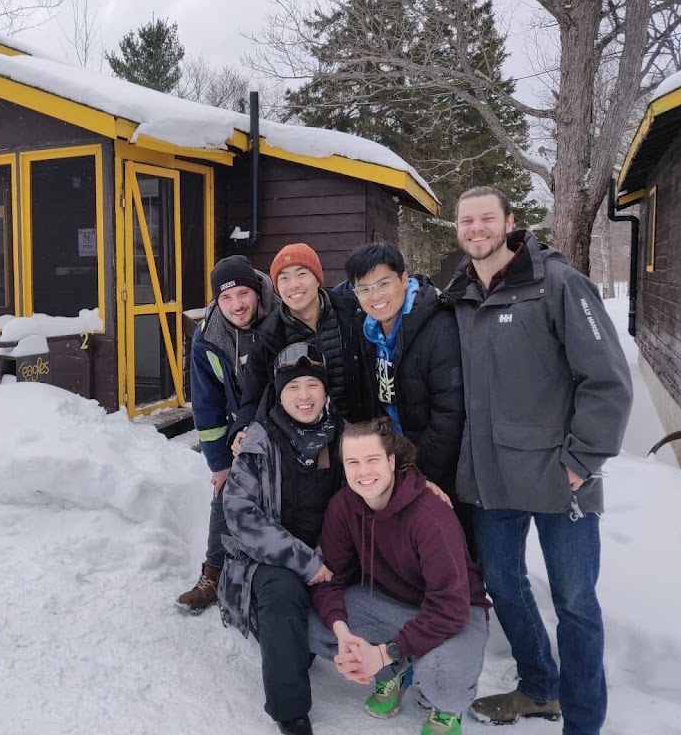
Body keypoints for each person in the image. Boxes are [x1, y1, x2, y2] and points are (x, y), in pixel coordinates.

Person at [441, 186, 633, 734]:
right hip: (491, 478)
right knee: (503, 584)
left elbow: (608, 382)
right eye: (466, 220)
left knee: (575, 603)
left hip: (559, 476)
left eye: (486, 218)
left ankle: (584, 720)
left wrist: (580, 461)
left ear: (509, 222)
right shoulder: (458, 295)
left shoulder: (558, 284)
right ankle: (539, 688)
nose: (476, 228)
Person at [309, 418, 490, 735]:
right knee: (315, 624)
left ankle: (446, 708)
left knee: (440, 675)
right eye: (353, 462)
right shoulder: (343, 506)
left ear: (391, 461)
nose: (363, 472)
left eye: (372, 459)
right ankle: (392, 671)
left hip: (457, 614)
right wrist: (344, 635)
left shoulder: (430, 515)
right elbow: (330, 578)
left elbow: (450, 607)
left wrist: (385, 651)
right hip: (391, 605)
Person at [217, 343, 343, 735]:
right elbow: (240, 513)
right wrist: (306, 561)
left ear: (325, 390)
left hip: (332, 554)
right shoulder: (258, 441)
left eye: (312, 385)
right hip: (270, 559)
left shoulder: (344, 435)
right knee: (284, 593)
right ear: (278, 392)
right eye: (293, 387)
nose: (304, 395)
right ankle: (291, 713)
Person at [342, 242, 470, 547]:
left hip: (440, 472)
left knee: (446, 552)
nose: (376, 296)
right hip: (396, 464)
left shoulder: (437, 327)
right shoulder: (368, 330)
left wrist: (416, 474)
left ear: (403, 278)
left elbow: (450, 415)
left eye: (384, 283)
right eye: (364, 289)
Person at [178, 255, 275, 613]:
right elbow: (207, 406)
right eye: (226, 297)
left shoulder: (280, 317)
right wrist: (219, 463)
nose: (237, 305)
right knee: (225, 494)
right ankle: (213, 575)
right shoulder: (208, 338)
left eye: (243, 293)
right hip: (242, 430)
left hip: (289, 422)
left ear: (257, 291)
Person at [231, 243, 377, 452]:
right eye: (284, 278)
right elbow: (254, 398)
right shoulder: (268, 337)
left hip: (362, 435)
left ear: (318, 278)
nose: (294, 285)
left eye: (301, 274)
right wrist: (242, 427)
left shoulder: (353, 313)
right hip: (304, 448)